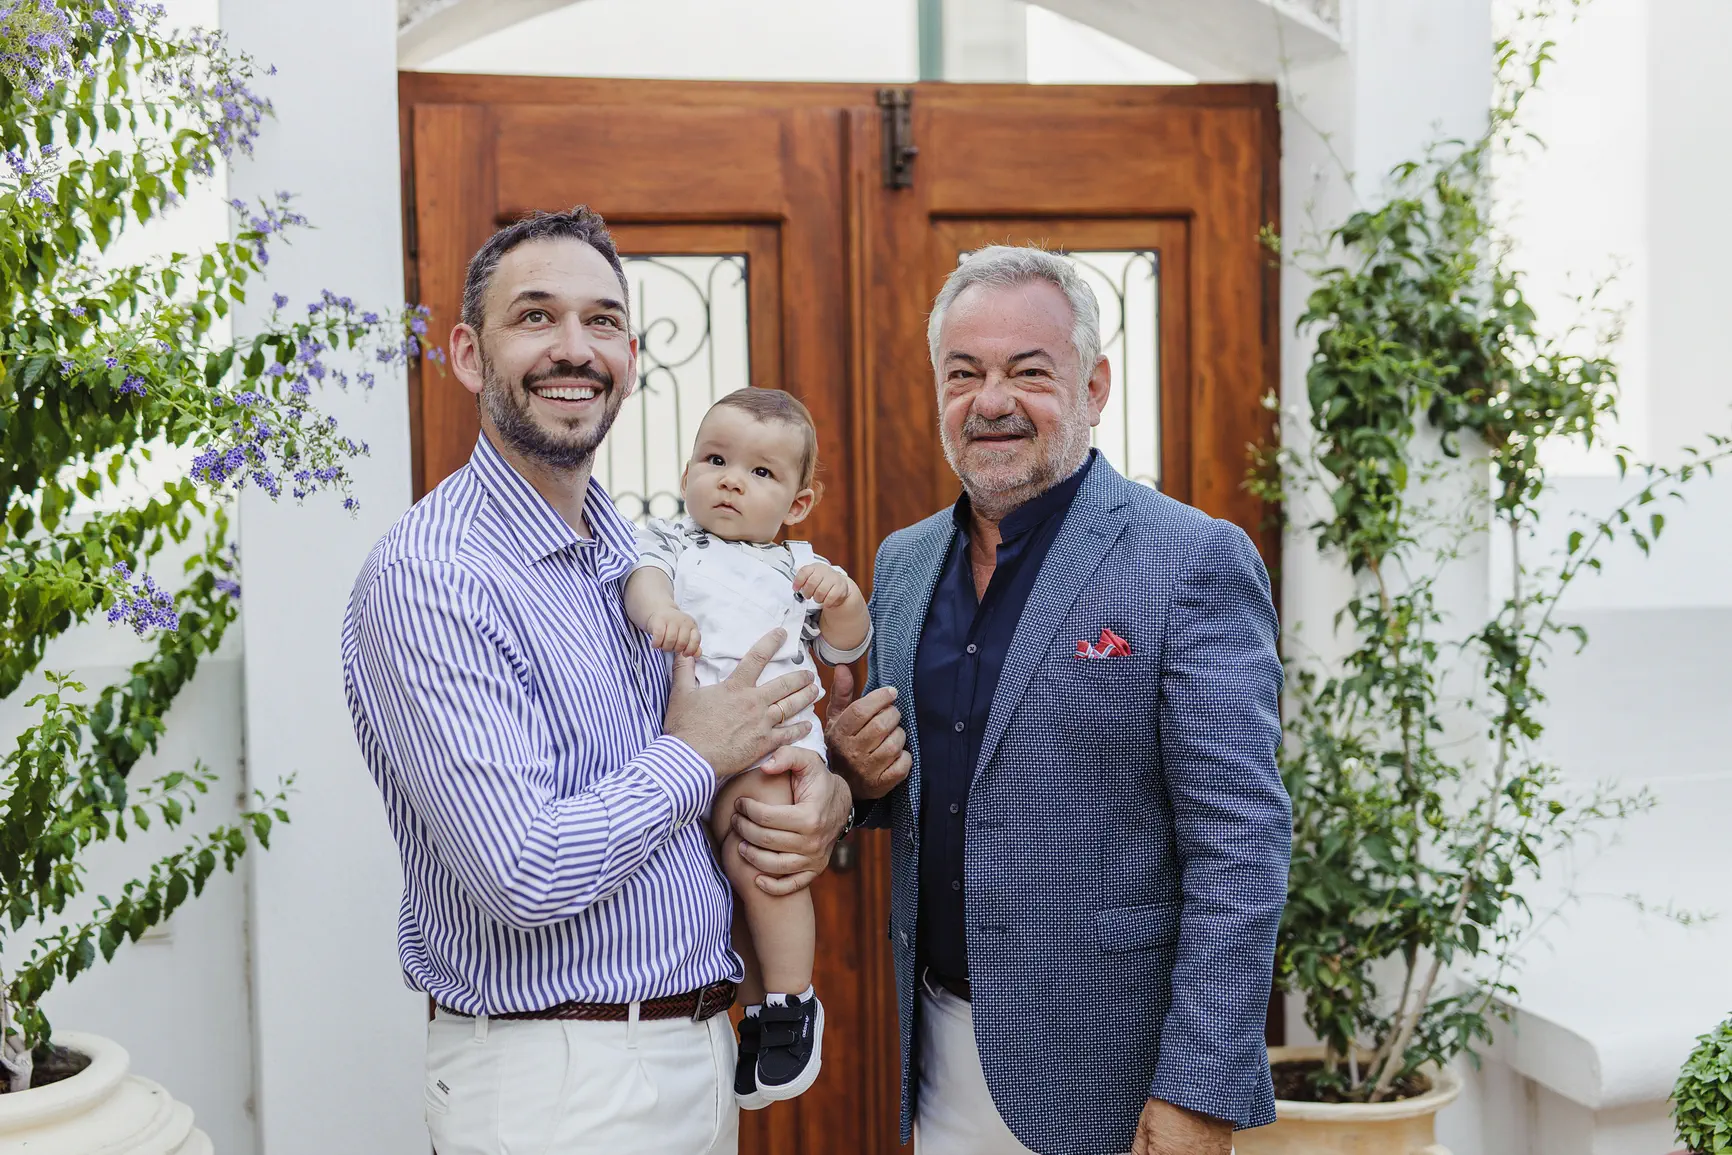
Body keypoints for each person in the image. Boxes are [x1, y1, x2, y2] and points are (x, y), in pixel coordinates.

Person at [342, 206, 853, 1155]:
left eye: (603, 321)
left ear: (629, 359)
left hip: (697, 1046)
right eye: (535, 315)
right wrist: (700, 754)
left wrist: (820, 791)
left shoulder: (635, 548)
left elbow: (717, 747)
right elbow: (523, 870)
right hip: (557, 1083)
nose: (574, 348)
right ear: (468, 355)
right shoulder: (435, 576)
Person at [826, 245, 1291, 1155]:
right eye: (963, 373)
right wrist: (858, 770)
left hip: (1113, 1078)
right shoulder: (903, 562)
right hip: (936, 1054)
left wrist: (1198, 1089)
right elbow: (934, 780)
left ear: (1094, 385)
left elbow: (1241, 843)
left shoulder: (1191, 559)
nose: (990, 401)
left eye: (1027, 372)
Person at [625, 387, 871, 1108]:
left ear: (799, 503)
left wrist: (842, 598)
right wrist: (660, 612)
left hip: (770, 741)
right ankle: (756, 1007)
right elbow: (643, 582)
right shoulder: (669, 542)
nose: (732, 480)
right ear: (687, 473)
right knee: (724, 879)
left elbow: (845, 645)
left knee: (762, 859)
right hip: (690, 745)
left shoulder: (798, 564)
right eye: (716, 460)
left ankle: (794, 999)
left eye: (761, 472)